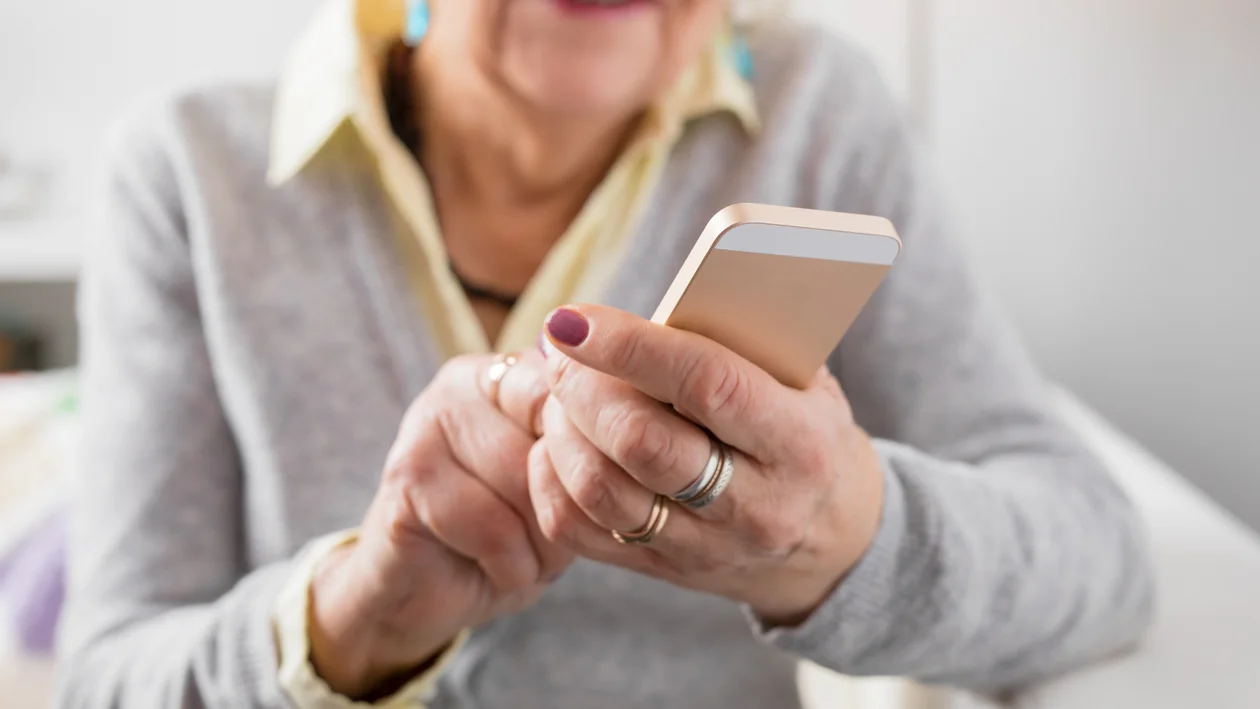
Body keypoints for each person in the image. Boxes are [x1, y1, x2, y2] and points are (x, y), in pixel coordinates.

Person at [55, 0, 1155, 707]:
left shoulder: (817, 114)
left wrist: (846, 538)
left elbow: (1100, 562)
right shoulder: (189, 172)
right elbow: (103, 680)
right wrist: (356, 619)